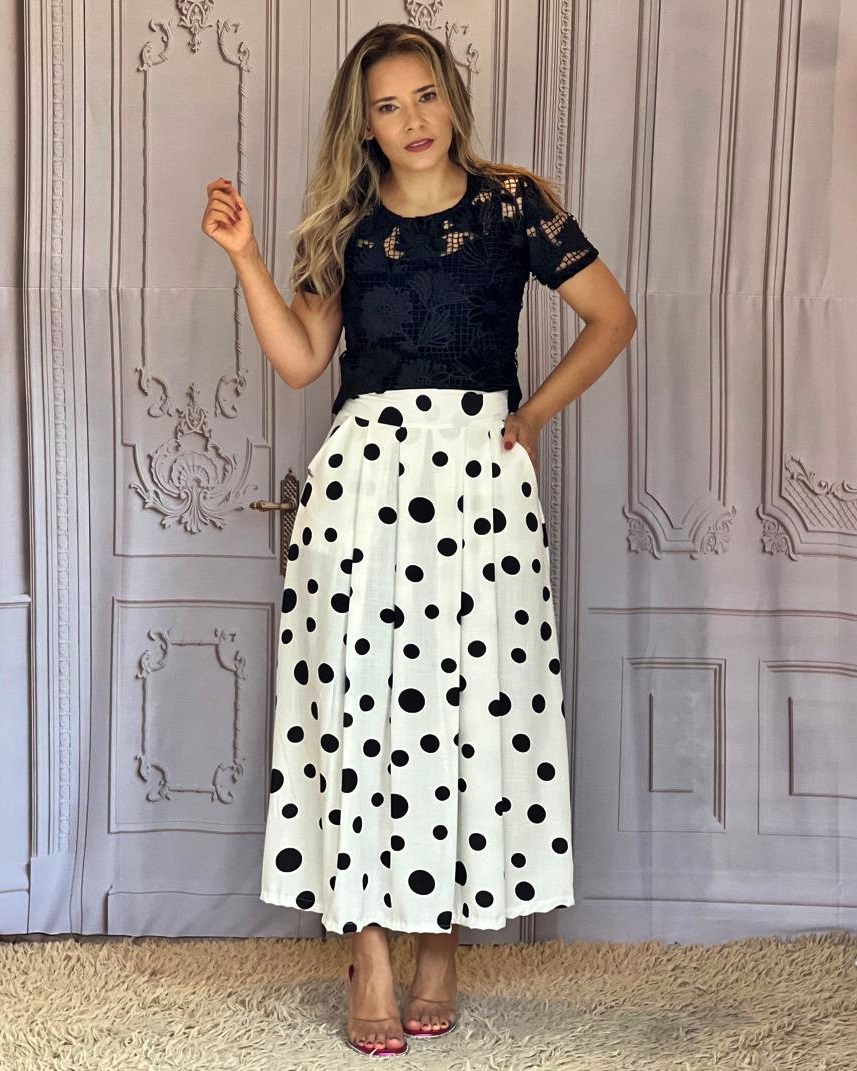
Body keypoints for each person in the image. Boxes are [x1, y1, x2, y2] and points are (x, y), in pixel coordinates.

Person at [202, 21, 635, 1058]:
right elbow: (303, 361)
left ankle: (441, 941)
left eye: (425, 95)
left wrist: (529, 417)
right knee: (357, 710)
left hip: (479, 482)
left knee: (468, 706)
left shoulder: (512, 205)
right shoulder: (345, 224)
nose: (413, 121)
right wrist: (247, 258)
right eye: (388, 106)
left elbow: (611, 318)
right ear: (363, 125)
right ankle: (371, 953)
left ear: (451, 97)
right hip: (362, 485)